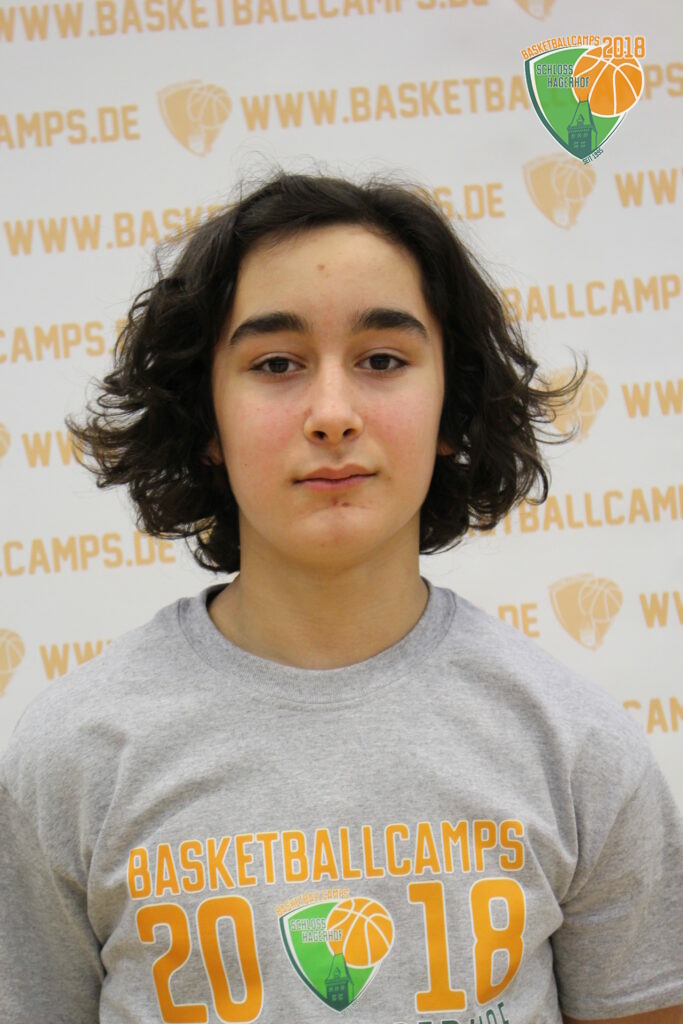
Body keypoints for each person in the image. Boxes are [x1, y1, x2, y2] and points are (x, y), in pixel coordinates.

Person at [0, 172, 681, 1024]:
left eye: (382, 361)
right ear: (207, 419)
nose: (331, 413)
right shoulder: (72, 758)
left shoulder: (576, 748)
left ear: (450, 407)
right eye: (275, 364)